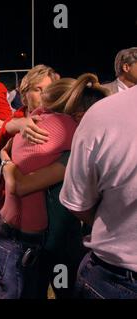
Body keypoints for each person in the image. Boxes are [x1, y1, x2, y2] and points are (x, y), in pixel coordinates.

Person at [0, 74, 109, 299]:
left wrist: (5, 158)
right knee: (53, 288)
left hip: (56, 245)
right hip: (49, 244)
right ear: (79, 115)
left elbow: (18, 180)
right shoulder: (68, 144)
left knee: (59, 288)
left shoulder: (46, 130)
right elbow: (22, 184)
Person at [60, 85, 137, 299]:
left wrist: (7, 165)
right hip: (112, 270)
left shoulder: (103, 115)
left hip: (113, 268)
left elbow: (76, 201)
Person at [0, 65, 58, 158]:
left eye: (49, 90)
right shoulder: (12, 122)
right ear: (24, 95)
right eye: (37, 89)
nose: (45, 95)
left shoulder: (62, 120)